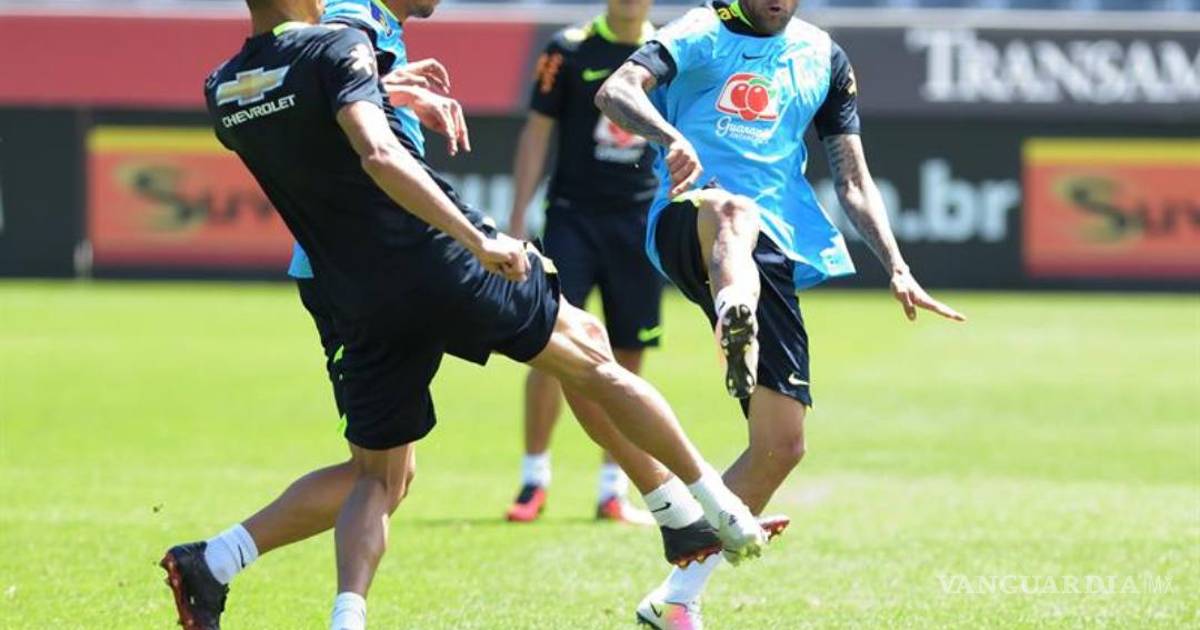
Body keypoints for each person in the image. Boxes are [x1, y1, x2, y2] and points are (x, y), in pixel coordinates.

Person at [159, 0, 777, 628]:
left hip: (345, 282)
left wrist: (388, 89)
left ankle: (222, 565)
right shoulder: (344, 29)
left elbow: (311, 105)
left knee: (381, 477)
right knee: (588, 348)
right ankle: (697, 512)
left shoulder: (230, 82)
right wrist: (478, 235)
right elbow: (370, 139)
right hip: (424, 247)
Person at [595, 0, 967, 626]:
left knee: (781, 446)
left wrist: (898, 266)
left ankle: (676, 597)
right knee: (734, 210)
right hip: (691, 217)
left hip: (774, 246)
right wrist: (671, 137)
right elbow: (616, 90)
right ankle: (733, 310)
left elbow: (853, 178)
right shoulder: (701, 30)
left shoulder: (823, 57)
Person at [505, 0, 665, 525]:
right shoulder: (567, 49)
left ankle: (613, 487)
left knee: (629, 351)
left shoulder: (668, 52)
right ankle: (534, 479)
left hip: (639, 223)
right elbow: (536, 131)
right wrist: (517, 218)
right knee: (550, 346)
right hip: (571, 219)